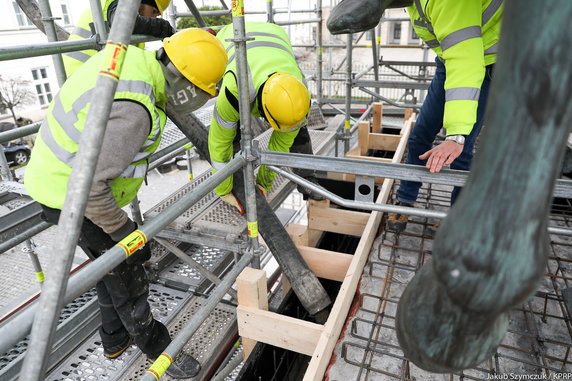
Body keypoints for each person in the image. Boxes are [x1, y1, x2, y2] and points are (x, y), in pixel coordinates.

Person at [25, 28, 227, 378]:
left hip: (55, 180)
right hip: (72, 196)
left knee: (107, 270)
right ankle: (161, 350)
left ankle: (114, 338)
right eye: (202, 93)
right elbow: (90, 190)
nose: (201, 100)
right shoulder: (136, 108)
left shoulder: (134, 60)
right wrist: (127, 235)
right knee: (128, 276)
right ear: (184, 85)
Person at [327, 0, 502, 233]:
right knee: (419, 135)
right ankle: (405, 201)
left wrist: (456, 134)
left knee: (462, 150)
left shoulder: (450, 3)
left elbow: (466, 63)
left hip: (488, 62)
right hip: (450, 60)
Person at [208, 21, 324, 214]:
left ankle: (307, 179)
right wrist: (222, 190)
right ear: (262, 112)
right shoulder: (234, 90)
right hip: (231, 36)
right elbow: (218, 142)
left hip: (272, 36)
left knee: (297, 133)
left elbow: (278, 147)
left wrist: (263, 184)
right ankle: (238, 180)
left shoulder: (299, 92)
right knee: (231, 134)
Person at [63, 0, 174, 77]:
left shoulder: (135, 28)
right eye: (154, 12)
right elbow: (124, 22)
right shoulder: (116, 3)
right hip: (84, 76)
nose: (153, 18)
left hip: (95, 74)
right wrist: (160, 26)